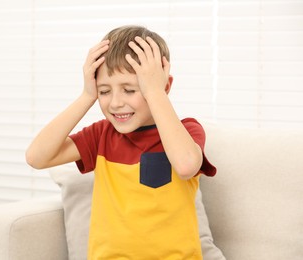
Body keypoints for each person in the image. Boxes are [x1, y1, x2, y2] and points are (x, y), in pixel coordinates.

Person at [26, 25, 216, 260]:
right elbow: (37, 157)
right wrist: (87, 96)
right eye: (105, 91)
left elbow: (186, 166)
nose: (115, 103)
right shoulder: (101, 135)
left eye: (129, 89)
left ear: (164, 86)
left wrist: (155, 92)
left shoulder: (186, 130)